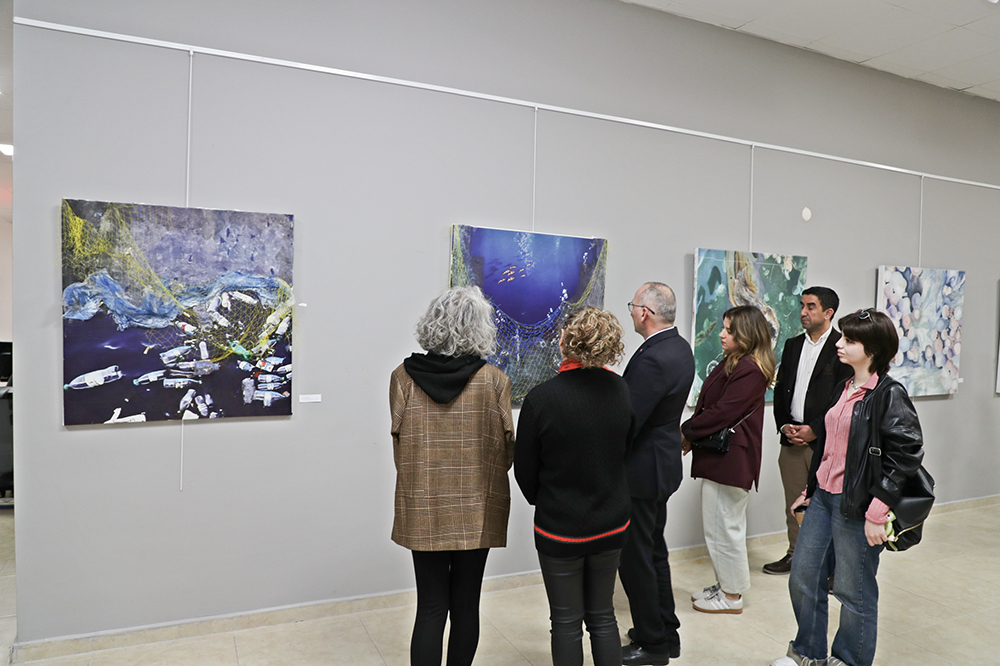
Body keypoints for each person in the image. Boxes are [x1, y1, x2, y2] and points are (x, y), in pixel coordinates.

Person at [771, 309, 923, 666]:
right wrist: (810, 490)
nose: (839, 344)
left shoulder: (889, 394)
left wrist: (878, 509)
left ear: (872, 349)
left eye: (849, 340)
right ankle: (808, 653)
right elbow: (828, 445)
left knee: (853, 590)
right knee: (803, 576)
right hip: (824, 498)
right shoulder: (845, 387)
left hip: (859, 504)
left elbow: (906, 454)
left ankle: (849, 660)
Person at [389, 286, 516, 666]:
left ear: (433, 323)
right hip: (477, 507)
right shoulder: (495, 381)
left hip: (423, 505)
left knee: (430, 606)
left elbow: (400, 447)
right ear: (480, 328)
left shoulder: (402, 378)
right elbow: (506, 452)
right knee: (466, 604)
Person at [514, 307, 635, 666]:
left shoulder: (541, 398)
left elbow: (524, 470)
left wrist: (547, 500)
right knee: (603, 616)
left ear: (565, 342)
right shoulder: (620, 389)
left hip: (560, 527)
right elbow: (624, 452)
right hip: (611, 521)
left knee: (566, 622)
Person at [619, 282, 695, 665]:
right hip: (661, 464)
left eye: (632, 306)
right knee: (654, 552)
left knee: (635, 558)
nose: (631, 311)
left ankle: (651, 644)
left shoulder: (653, 357)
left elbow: (628, 420)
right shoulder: (678, 346)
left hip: (641, 471)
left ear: (645, 313)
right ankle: (666, 632)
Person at [680, 305, 774, 614]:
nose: (721, 334)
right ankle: (725, 585)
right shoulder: (735, 361)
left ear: (746, 334)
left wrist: (687, 430)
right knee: (717, 527)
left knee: (725, 528)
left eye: (729, 330)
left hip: (732, 459)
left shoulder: (750, 368)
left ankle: (732, 596)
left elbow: (723, 412)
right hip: (723, 457)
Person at [766, 287, 852, 575]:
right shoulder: (792, 345)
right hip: (792, 440)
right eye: (802, 305)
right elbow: (781, 390)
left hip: (825, 444)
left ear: (828, 313)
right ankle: (795, 555)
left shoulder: (842, 347)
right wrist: (784, 425)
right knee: (794, 504)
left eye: (810, 307)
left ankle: (830, 567)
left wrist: (814, 429)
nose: (803, 312)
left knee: (828, 507)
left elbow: (841, 397)